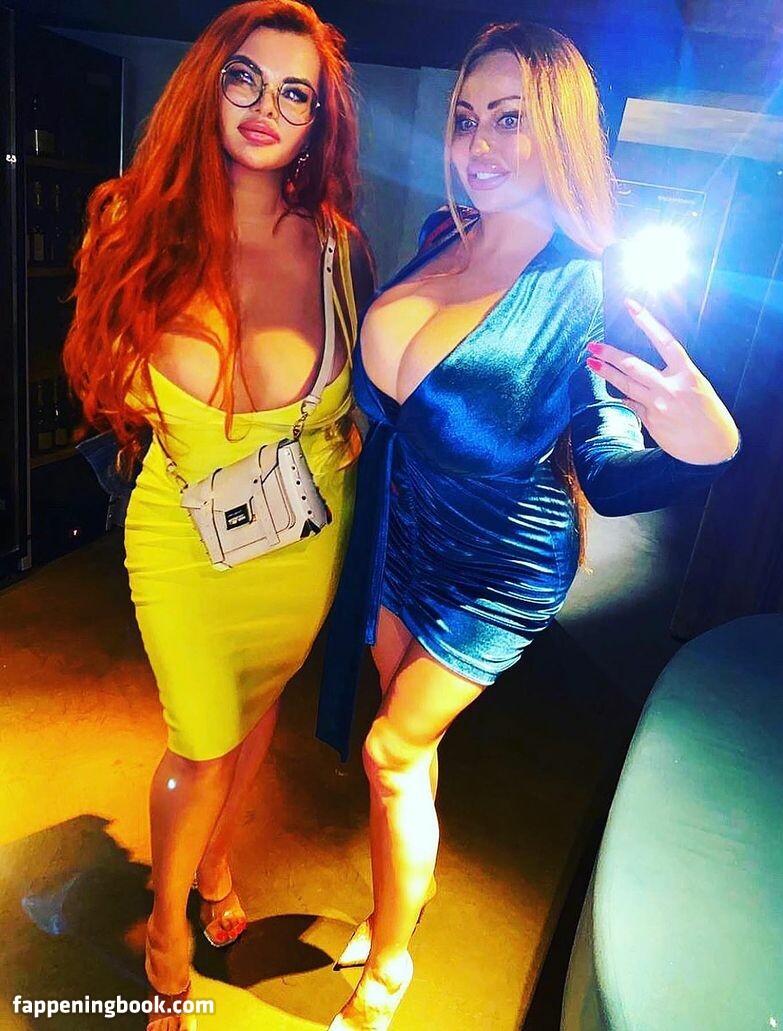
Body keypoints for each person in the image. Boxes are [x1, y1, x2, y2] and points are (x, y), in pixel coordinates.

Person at [316, 21, 740, 1031]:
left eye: (510, 119)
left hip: (496, 566)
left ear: (560, 128)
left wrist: (699, 448)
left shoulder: (590, 284)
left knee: (389, 750)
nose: (480, 144)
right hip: (398, 532)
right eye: (467, 118)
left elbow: (608, 465)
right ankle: (394, 904)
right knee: (409, 753)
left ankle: (391, 965)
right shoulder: (441, 232)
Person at [63, 2, 373, 1027]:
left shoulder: (337, 251)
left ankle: (218, 864)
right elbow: (104, 365)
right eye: (246, 77)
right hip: (184, 539)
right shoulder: (135, 226)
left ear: (319, 120)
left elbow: (368, 396)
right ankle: (167, 938)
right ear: (209, 82)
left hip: (300, 543)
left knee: (259, 707)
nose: (264, 106)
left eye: (295, 92)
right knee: (200, 741)